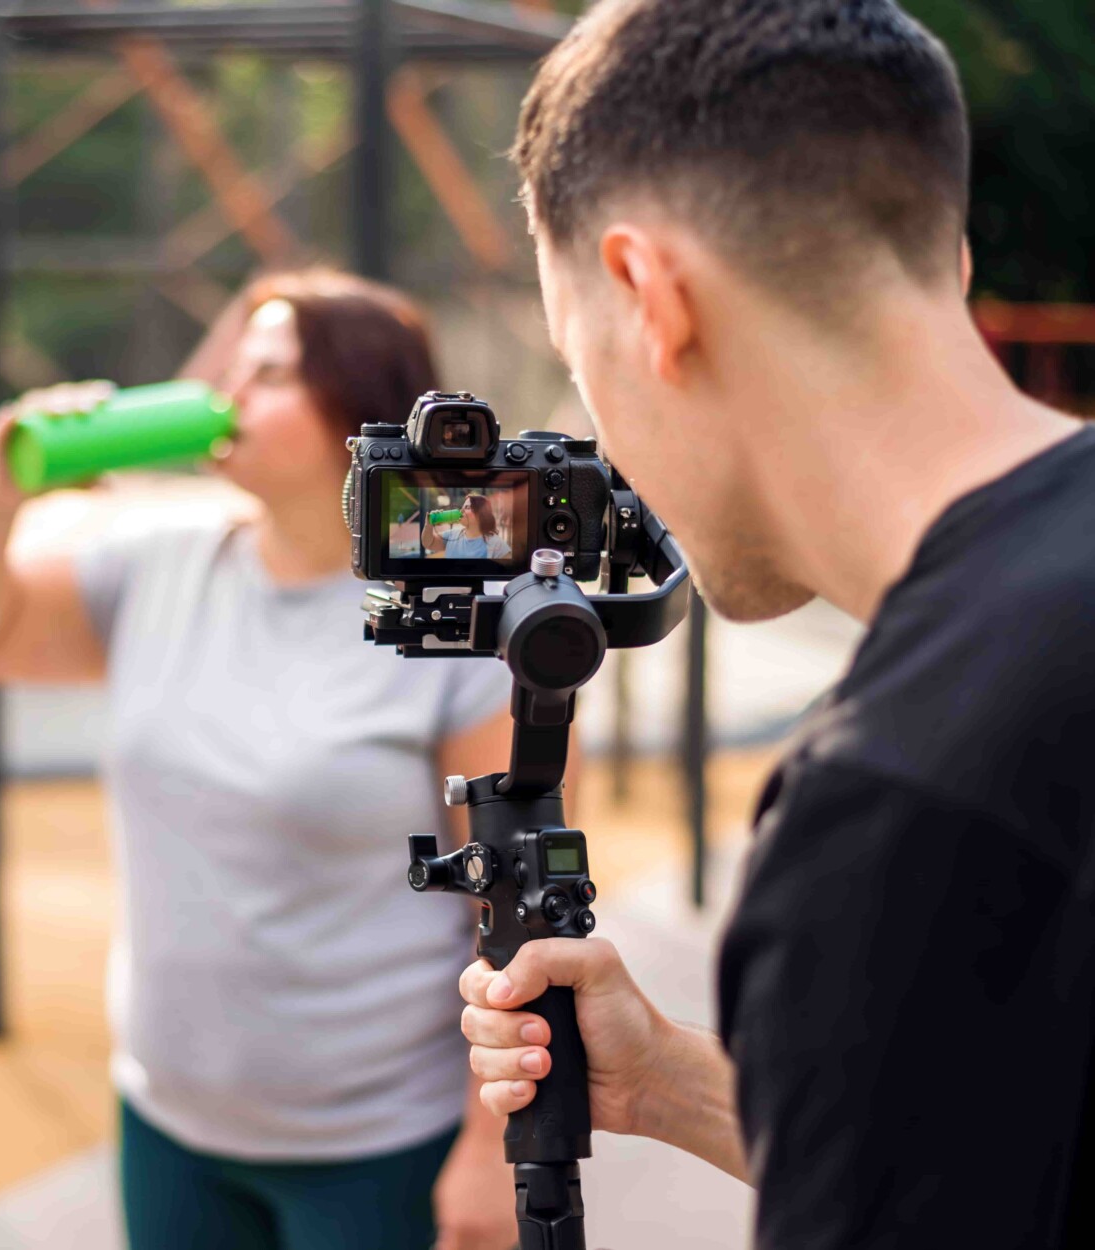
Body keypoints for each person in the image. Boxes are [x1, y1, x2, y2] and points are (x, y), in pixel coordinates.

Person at [456, 2, 1095, 1247]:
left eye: (583, 368)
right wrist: (674, 1082)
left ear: (649, 297)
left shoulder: (895, 802)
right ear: (948, 263)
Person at [0, 269, 543, 1250]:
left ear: (361, 414)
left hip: (381, 1143)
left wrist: (492, 1144)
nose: (227, 392)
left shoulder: (458, 617)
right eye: (233, 364)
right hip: (170, 1121)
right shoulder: (158, 563)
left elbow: (515, 902)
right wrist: (0, 493)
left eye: (269, 372)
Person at [422, 494, 512, 561]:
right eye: (462, 507)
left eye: (467, 507)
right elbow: (429, 543)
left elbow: (507, 573)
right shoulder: (452, 535)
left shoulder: (496, 544)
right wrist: (428, 525)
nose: (461, 511)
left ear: (481, 513)